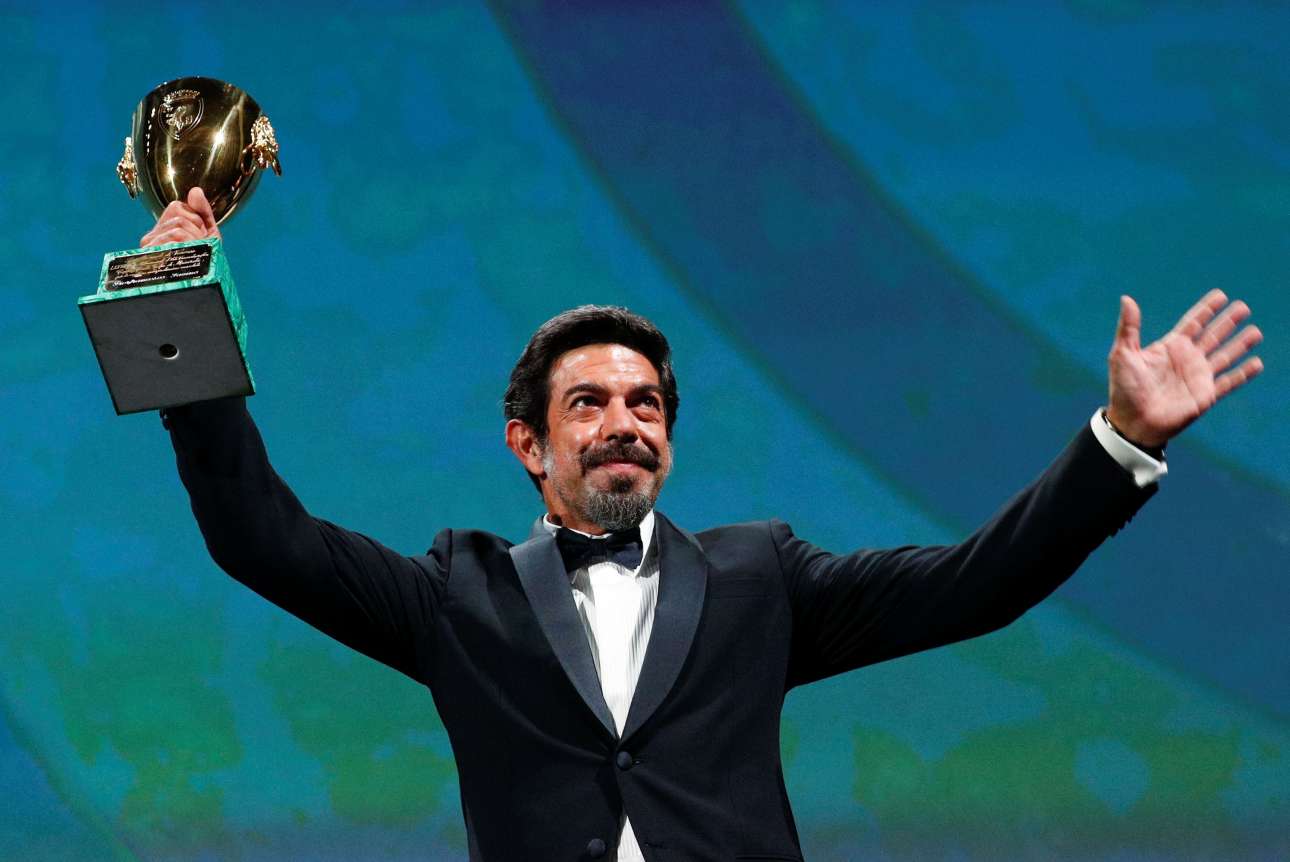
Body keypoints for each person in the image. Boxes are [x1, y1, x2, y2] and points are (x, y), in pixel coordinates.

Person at [145, 190, 1263, 861]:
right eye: (589, 404)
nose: (624, 425)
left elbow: (979, 581)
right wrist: (176, 311)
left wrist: (1119, 442)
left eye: (646, 406)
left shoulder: (759, 576)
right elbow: (257, 534)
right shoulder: (457, 593)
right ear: (528, 444)